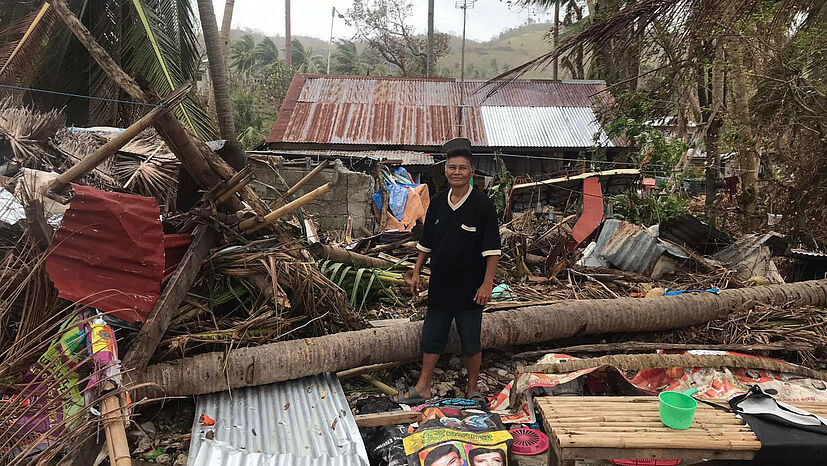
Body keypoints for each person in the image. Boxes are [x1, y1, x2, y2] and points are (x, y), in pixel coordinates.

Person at [397, 137, 501, 404]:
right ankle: (423, 387)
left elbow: (492, 250)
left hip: (470, 286)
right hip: (440, 283)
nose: (457, 172)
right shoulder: (439, 202)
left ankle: (473, 389)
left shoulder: (483, 206)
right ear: (445, 171)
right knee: (432, 335)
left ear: (471, 172)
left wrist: (487, 285)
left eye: (462, 168)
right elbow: (426, 243)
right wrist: (417, 270)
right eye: (452, 168)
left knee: (470, 338)